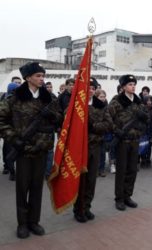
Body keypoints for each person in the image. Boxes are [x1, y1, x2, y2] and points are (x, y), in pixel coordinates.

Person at [0, 62, 62, 239]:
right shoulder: (14, 98)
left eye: (43, 76)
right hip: (24, 150)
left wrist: (53, 116)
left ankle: (34, 221)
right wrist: (14, 139)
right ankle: (22, 224)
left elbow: (60, 119)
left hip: (42, 149)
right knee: (22, 188)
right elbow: (2, 121)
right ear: (28, 78)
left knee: (37, 188)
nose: (42, 79)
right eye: (38, 76)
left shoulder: (49, 98)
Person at [73, 78, 112, 223]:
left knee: (91, 180)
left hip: (95, 147)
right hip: (79, 148)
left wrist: (93, 126)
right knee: (80, 180)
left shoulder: (100, 105)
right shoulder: (76, 104)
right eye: (87, 87)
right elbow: (66, 122)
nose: (90, 90)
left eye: (92, 88)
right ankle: (78, 209)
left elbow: (108, 124)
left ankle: (87, 207)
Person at [108, 74, 149, 211]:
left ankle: (127, 196)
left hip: (135, 140)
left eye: (134, 84)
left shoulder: (138, 101)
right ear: (123, 87)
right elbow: (108, 119)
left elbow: (145, 119)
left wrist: (142, 125)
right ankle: (119, 198)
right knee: (121, 170)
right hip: (122, 141)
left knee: (132, 169)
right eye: (130, 84)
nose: (133, 87)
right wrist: (116, 131)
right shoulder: (116, 101)